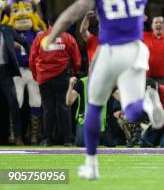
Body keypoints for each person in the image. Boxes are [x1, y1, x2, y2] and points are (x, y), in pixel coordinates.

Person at [39, 0, 164, 179]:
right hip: (135, 49)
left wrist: (51, 35)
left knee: (95, 105)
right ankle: (146, 102)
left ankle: (91, 164)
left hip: (109, 51)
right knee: (132, 108)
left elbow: (72, 13)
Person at [30, 15, 81, 146]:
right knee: (64, 107)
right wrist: (74, 73)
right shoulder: (68, 37)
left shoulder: (40, 37)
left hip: (44, 77)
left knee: (47, 108)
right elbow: (77, 59)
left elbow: (32, 58)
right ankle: (68, 140)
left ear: (48, 22)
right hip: (62, 76)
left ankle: (47, 139)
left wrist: (36, 75)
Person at [0, 23, 30, 145]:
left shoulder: (7, 29)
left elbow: (24, 42)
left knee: (14, 103)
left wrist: (32, 58)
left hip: (5, 71)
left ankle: (18, 137)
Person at [66, 76, 115, 148]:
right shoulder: (82, 82)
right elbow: (69, 102)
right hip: (85, 121)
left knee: (111, 143)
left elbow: (120, 97)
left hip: (102, 123)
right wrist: (71, 85)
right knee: (82, 142)